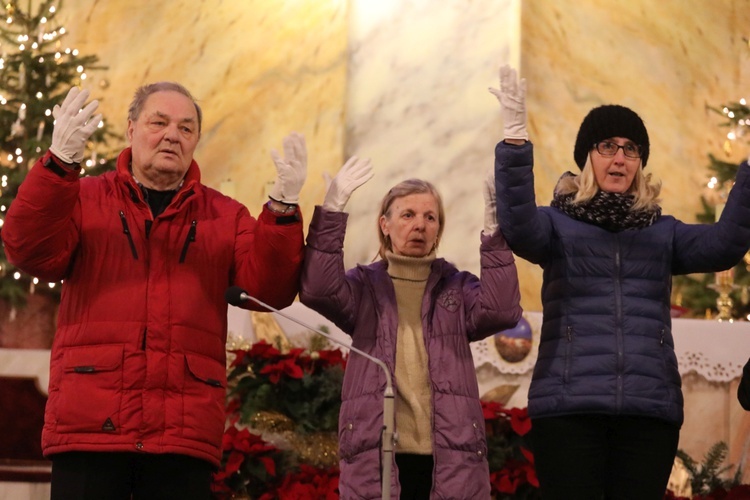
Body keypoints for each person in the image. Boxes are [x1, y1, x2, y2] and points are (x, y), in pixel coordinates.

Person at [1, 84, 307, 499]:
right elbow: (28, 250)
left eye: (186, 127)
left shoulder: (225, 214)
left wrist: (282, 211)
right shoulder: (84, 197)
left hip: (180, 434)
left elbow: (268, 289)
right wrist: (57, 166)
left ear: (196, 140)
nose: (172, 135)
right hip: (92, 425)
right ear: (131, 130)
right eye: (158, 122)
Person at [490, 65, 750, 499]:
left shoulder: (661, 231)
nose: (619, 158)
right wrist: (515, 142)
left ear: (640, 162)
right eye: (607, 146)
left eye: (631, 149)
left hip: (647, 412)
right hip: (569, 407)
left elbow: (723, 246)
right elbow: (518, 227)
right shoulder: (556, 224)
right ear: (588, 157)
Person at [299, 156, 523, 499]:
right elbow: (318, 289)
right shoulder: (363, 287)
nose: (420, 225)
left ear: (438, 230)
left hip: (449, 457)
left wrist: (494, 238)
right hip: (378, 454)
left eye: (430, 217)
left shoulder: (457, 287)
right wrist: (331, 212)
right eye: (408, 215)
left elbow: (502, 311)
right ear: (385, 225)